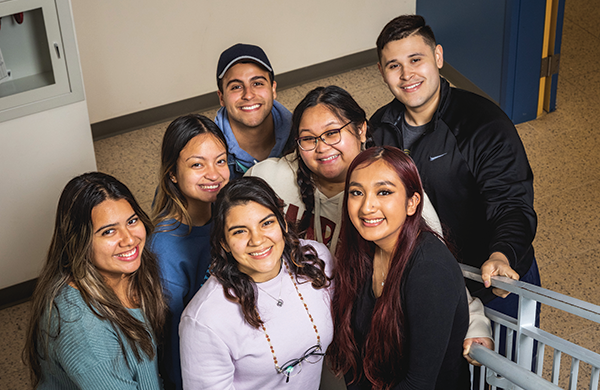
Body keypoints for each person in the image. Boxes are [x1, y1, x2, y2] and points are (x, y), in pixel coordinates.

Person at [247, 86, 491, 371]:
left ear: (361, 130)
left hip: (358, 338)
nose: (322, 147)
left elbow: (432, 261)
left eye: (332, 133)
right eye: (308, 139)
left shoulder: (392, 187)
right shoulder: (268, 177)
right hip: (283, 327)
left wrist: (475, 320)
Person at [370, 15, 540, 311]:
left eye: (415, 59)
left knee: (506, 357)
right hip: (427, 282)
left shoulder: (484, 124)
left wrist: (502, 254)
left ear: (438, 56)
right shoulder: (379, 129)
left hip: (492, 281)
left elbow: (512, 203)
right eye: (394, 65)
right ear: (382, 72)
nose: (406, 74)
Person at [329, 146, 471, 389]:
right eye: (356, 193)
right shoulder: (365, 252)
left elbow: (419, 384)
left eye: (383, 192)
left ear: (412, 203)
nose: (366, 207)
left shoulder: (430, 268)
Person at [179, 177, 334, 389]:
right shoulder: (204, 320)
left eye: (267, 223)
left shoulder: (316, 260)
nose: (257, 240)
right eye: (240, 231)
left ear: (282, 224)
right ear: (224, 242)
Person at [24, 172, 167, 389]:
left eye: (132, 221)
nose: (129, 239)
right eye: (108, 231)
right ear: (79, 242)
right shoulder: (82, 328)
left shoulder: (133, 268)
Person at [150, 114, 229, 389]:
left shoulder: (227, 211)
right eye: (197, 165)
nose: (214, 175)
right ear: (172, 172)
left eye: (220, 161)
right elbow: (173, 335)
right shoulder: (166, 248)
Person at [215, 43, 293, 178]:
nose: (248, 95)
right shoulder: (209, 154)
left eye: (257, 83)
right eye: (236, 87)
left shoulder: (301, 135)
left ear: (273, 89)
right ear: (221, 97)